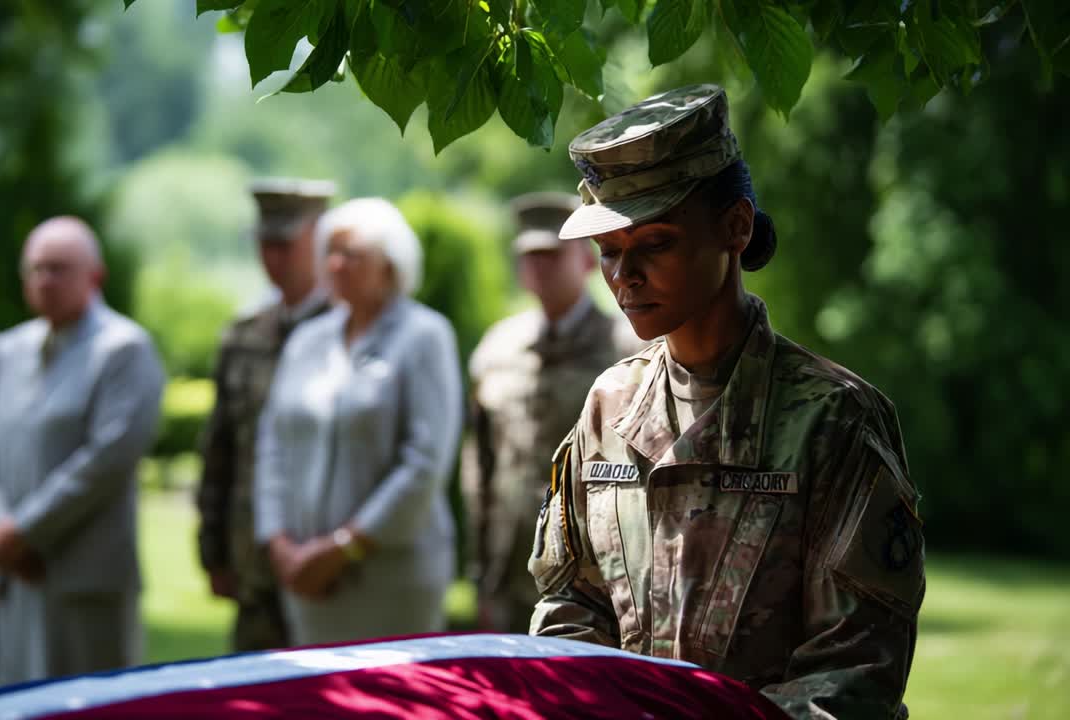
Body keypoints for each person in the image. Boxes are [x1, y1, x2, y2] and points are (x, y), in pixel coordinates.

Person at [528, 84, 925, 719]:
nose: (625, 275)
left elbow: (853, 670)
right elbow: (571, 608)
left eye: (655, 243)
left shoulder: (832, 418)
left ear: (735, 227)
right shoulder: (608, 406)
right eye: (609, 250)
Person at [0, 216, 164, 685]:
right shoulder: (8, 350)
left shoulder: (124, 350)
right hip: (14, 577)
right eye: (35, 269)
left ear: (95, 276)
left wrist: (26, 532)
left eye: (59, 268)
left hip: (83, 580)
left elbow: (108, 460)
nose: (45, 280)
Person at [254, 198, 462, 646]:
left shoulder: (425, 336)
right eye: (330, 251)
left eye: (352, 254)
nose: (335, 264)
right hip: (304, 576)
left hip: (392, 578)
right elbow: (272, 445)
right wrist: (279, 545)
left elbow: (425, 461)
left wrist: (344, 548)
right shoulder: (307, 340)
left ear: (391, 265)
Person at [461, 192, 643, 634]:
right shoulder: (498, 349)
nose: (539, 267)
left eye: (552, 255)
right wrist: (480, 571)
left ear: (584, 261)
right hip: (510, 564)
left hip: (594, 574)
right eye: (530, 256)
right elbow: (478, 467)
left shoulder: (626, 349)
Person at [197, 178, 335, 652]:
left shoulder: (349, 331)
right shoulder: (243, 335)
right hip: (253, 561)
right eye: (264, 243)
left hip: (326, 557)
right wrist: (212, 549)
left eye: (284, 244)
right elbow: (220, 448)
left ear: (319, 240)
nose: (272, 257)